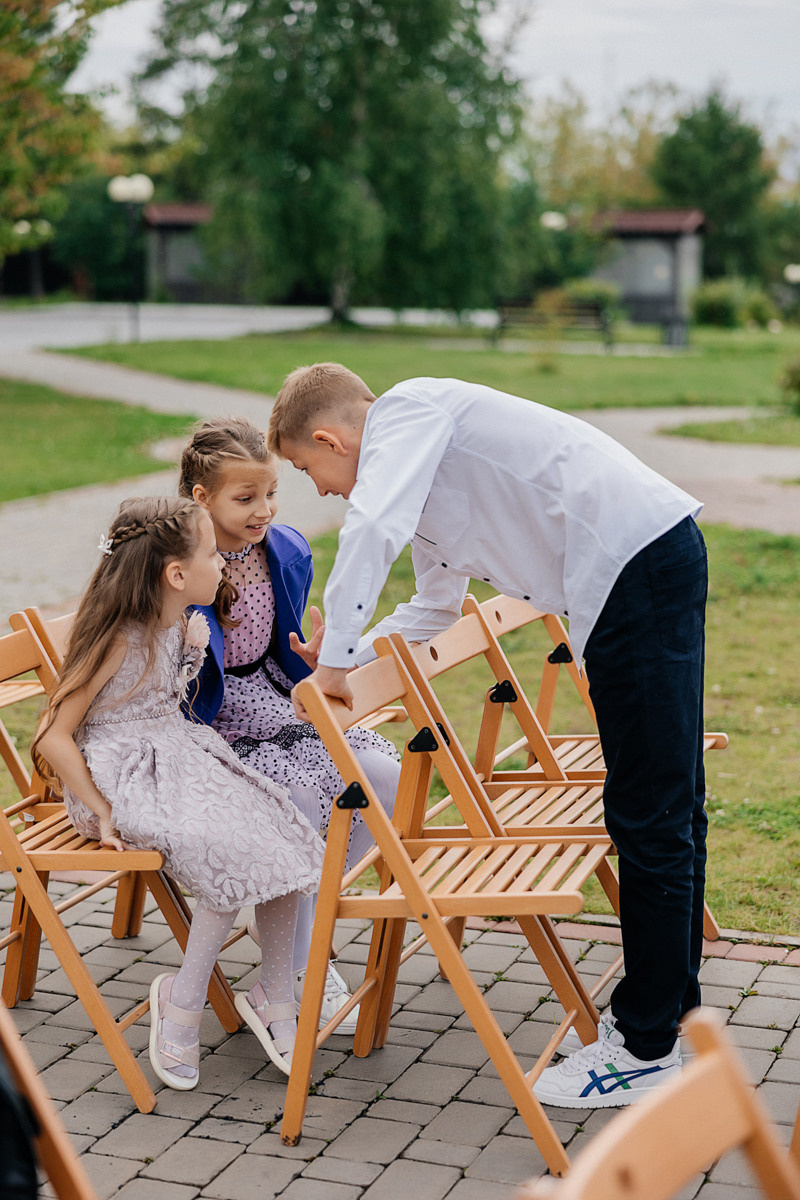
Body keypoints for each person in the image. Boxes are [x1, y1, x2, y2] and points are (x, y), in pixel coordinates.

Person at [268, 363, 709, 1110]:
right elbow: (433, 609)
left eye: (312, 470)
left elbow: (371, 522)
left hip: (634, 568)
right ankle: (672, 1018)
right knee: (666, 806)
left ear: (330, 438)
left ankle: (644, 1047)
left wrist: (339, 655)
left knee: (651, 811)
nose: (323, 490)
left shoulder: (410, 410)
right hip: (635, 570)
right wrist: (351, 655)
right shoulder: (431, 474)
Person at [34, 496, 325, 1091]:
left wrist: (192, 649)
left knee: (277, 824)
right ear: (175, 574)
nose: (223, 564)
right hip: (121, 780)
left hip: (179, 760)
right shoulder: (119, 636)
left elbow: (169, 703)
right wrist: (100, 807)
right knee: (219, 843)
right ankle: (183, 999)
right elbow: (53, 735)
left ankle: (277, 993)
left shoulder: (174, 624)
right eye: (213, 555)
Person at [178, 417, 401, 1032]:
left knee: (380, 775)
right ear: (202, 498)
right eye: (246, 499)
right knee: (299, 795)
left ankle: (300, 939)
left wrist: (310, 656)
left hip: (277, 696)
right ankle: (294, 963)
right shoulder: (175, 566)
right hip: (210, 716)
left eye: (271, 494)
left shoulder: (286, 549)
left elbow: (278, 642)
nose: (264, 510)